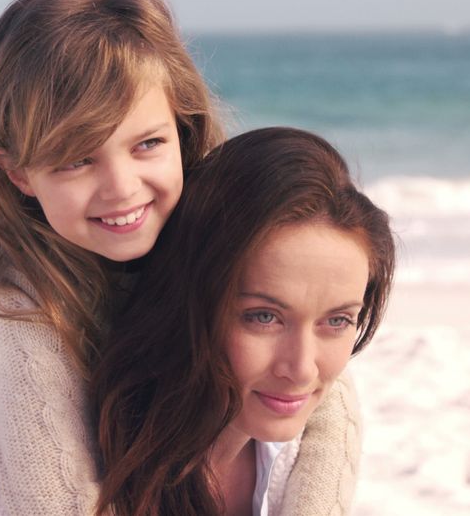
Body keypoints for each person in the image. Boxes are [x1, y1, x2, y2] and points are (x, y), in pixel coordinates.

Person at [0, 0, 363, 515]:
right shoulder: (19, 296)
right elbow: (52, 492)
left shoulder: (201, 223)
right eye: (78, 158)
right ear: (19, 174)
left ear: (184, 127)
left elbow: (322, 391)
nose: (121, 189)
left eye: (148, 143)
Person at [95, 127, 395, 516]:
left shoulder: (302, 459)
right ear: (187, 300)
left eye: (337, 321)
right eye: (264, 317)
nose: (301, 369)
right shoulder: (78, 464)